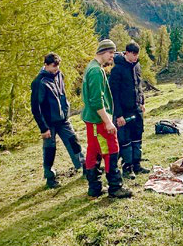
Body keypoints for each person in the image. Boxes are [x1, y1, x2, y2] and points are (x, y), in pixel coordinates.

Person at [81, 39, 132, 199]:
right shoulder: (96, 71)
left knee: (94, 151)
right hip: (99, 121)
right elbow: (96, 100)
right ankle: (115, 187)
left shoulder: (92, 67)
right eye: (111, 53)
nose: (112, 56)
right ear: (102, 52)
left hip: (93, 120)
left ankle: (94, 188)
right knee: (111, 149)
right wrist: (108, 121)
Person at [30, 52, 84, 189]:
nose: (57, 69)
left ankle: (84, 166)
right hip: (48, 123)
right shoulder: (39, 82)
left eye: (58, 66)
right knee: (50, 150)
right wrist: (43, 128)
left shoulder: (59, 75)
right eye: (54, 66)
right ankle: (50, 177)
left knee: (74, 141)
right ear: (46, 65)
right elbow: (36, 108)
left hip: (63, 119)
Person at [109, 42, 148, 178]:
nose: (136, 57)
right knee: (125, 140)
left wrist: (142, 101)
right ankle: (127, 168)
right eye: (134, 55)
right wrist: (118, 115)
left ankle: (137, 165)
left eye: (138, 55)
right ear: (127, 53)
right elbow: (114, 94)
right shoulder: (117, 70)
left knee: (137, 136)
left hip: (137, 109)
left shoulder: (137, 66)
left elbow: (139, 85)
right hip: (123, 112)